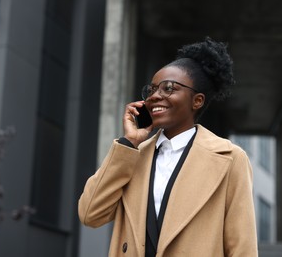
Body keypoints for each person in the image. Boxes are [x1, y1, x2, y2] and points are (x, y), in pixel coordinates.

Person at [78, 37, 258, 256]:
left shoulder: (229, 158)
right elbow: (90, 214)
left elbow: (242, 246)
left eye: (168, 88)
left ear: (197, 101)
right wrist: (129, 143)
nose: (155, 96)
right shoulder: (133, 155)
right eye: (152, 89)